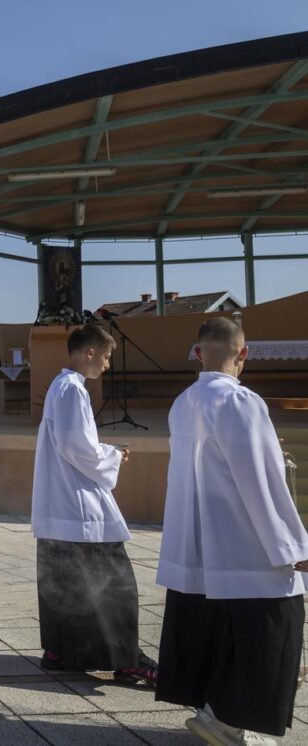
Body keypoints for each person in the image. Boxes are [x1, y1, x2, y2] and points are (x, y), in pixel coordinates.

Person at [155, 317, 308, 744]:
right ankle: (225, 719)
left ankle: (214, 709)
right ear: (244, 354)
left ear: (198, 353)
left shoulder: (183, 401)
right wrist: (292, 544)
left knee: (219, 627)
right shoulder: (241, 402)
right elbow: (258, 479)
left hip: (201, 538)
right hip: (244, 540)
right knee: (274, 624)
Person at [31, 323, 156, 686]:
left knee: (64, 583)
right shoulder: (72, 390)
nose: (106, 364)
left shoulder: (62, 387)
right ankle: (126, 658)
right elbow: (75, 445)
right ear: (89, 352)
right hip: (78, 507)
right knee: (116, 583)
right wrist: (113, 454)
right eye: (105, 356)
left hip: (60, 508)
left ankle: (61, 652)